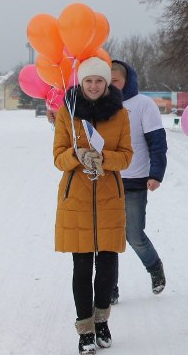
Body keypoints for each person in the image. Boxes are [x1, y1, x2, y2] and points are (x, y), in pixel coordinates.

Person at [53, 57, 133, 355]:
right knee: (82, 265)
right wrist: (78, 155)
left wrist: (105, 158)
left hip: (110, 197)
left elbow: (127, 156)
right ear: (81, 82)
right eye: (89, 80)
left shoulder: (120, 113)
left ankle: (102, 322)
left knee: (108, 266)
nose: (94, 85)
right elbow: (58, 157)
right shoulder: (68, 111)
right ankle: (85, 329)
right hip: (77, 198)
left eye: (99, 80)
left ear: (107, 83)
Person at [109, 60, 168, 304]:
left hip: (135, 180)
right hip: (106, 180)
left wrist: (156, 174)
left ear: (126, 81)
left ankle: (155, 268)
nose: (111, 85)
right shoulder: (99, 104)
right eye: (107, 80)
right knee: (107, 238)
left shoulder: (142, 104)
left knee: (133, 234)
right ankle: (109, 288)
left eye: (115, 81)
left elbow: (157, 141)